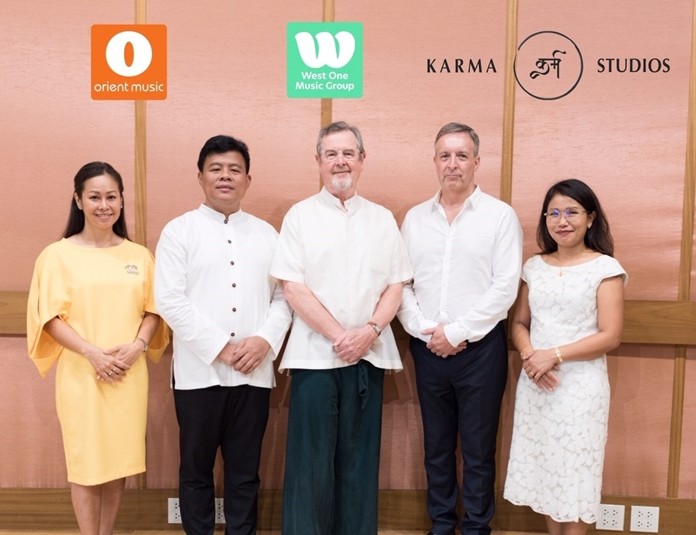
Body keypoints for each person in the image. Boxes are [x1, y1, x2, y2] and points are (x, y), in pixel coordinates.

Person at [270, 121, 413, 535]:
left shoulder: (382, 219)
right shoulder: (300, 216)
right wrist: (340, 336)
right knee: (310, 465)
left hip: (368, 355)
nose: (340, 162)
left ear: (362, 159)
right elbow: (292, 287)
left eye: (348, 153)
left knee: (359, 465)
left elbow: (396, 285)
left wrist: (369, 331)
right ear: (318, 162)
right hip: (315, 357)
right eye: (330, 154)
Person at [154, 134, 292, 535]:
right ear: (200, 177)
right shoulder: (179, 232)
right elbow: (169, 300)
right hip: (199, 374)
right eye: (216, 169)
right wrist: (221, 348)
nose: (225, 176)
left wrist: (264, 340)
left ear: (248, 179)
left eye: (234, 169)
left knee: (245, 472)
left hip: (254, 373)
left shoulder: (268, 235)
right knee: (195, 470)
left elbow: (284, 297)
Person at [26, 161, 168, 535]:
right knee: (86, 465)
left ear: (121, 200)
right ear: (78, 200)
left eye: (111, 197)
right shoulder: (56, 255)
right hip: (82, 374)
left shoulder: (139, 256)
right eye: (94, 197)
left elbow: (153, 311)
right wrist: (91, 352)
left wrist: (138, 346)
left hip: (127, 374)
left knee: (118, 464)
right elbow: (49, 317)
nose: (104, 205)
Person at [397, 122, 523, 535]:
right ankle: (441, 525)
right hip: (427, 348)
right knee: (436, 448)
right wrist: (424, 329)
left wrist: (457, 332)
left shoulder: (500, 217)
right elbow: (402, 283)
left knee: (478, 450)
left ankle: (476, 528)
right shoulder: (415, 219)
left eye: (462, 155)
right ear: (435, 162)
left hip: (480, 351)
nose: (453, 164)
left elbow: (505, 287)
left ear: (477, 162)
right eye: (445, 156)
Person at [504, 178, 626, 535]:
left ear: (590, 218)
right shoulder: (534, 266)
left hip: (580, 387)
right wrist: (532, 357)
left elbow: (610, 335)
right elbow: (519, 323)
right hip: (537, 382)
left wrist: (553, 355)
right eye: (554, 213)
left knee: (576, 473)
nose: (562, 221)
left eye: (572, 212)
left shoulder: (605, 268)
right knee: (548, 472)